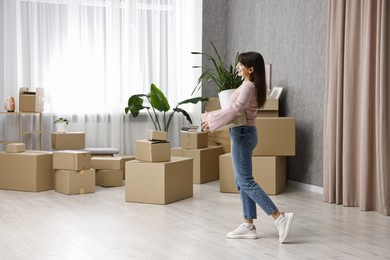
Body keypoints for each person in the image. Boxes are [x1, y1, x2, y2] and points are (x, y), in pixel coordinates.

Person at [201, 51, 294, 243]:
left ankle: (279, 216)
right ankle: (249, 225)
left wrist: (213, 121)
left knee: (246, 181)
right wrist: (212, 117)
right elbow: (233, 109)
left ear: (250, 69)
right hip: (244, 133)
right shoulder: (250, 86)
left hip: (243, 134)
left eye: (240, 64)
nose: (237, 67)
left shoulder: (248, 86)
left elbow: (236, 109)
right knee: (241, 180)